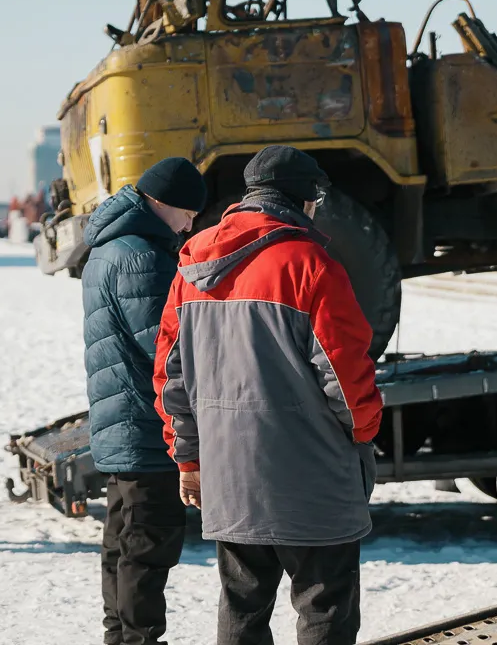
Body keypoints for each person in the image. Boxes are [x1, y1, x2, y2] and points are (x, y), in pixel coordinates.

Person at [153, 145, 383, 645]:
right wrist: (363, 435)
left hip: (230, 477)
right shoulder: (311, 263)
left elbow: (172, 379)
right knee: (324, 607)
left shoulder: (191, 267)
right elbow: (345, 376)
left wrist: (189, 459)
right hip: (312, 478)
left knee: (242, 607)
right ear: (303, 200)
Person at [82, 157, 208, 645]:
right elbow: (166, 346)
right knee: (147, 549)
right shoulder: (144, 256)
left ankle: (121, 637)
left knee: (122, 544)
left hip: (120, 422)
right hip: (147, 426)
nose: (189, 225)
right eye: (187, 214)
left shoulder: (110, 246)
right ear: (165, 203)